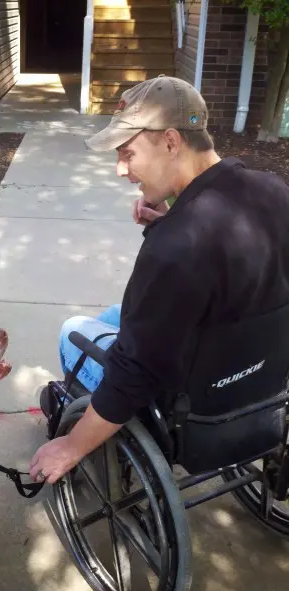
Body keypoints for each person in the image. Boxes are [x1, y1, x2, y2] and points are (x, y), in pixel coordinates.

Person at [29, 74, 289, 485]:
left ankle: (96, 439)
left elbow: (134, 372)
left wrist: (70, 446)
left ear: (170, 141)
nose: (121, 170)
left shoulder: (176, 248)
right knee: (116, 315)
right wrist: (171, 220)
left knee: (74, 330)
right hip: (258, 378)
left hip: (188, 404)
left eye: (127, 153)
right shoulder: (274, 192)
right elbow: (220, 256)